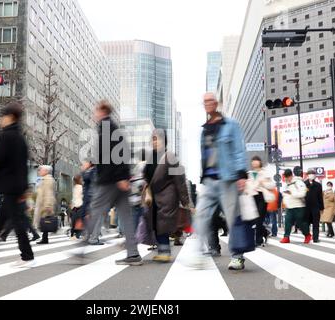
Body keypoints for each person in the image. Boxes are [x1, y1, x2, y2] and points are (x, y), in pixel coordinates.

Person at [191, 93, 249, 271]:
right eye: (205, 101)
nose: (207, 103)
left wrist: (241, 175)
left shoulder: (231, 125)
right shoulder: (204, 129)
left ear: (216, 104)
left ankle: (237, 256)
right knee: (201, 215)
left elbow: (239, 150)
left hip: (227, 179)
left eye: (210, 101)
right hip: (209, 180)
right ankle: (198, 254)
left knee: (232, 218)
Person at [87, 100, 142, 266]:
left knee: (95, 210)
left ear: (102, 111)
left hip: (110, 180)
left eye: (95, 110)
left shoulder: (107, 128)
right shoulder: (111, 128)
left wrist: (120, 177)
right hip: (118, 179)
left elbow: (120, 153)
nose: (93, 114)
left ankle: (80, 248)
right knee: (125, 216)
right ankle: (133, 254)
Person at [0, 102, 35, 268]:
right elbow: (24, 164)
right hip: (17, 185)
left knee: (17, 222)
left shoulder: (7, 136)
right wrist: (25, 187)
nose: (0, 120)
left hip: (10, 186)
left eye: (2, 116)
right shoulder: (20, 137)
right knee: (2, 220)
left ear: (10, 117)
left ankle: (27, 256)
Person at [143, 130, 190, 263]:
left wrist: (185, 200)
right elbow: (146, 177)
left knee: (162, 223)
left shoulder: (170, 157)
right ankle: (163, 250)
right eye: (153, 139)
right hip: (153, 196)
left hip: (167, 195)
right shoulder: (150, 158)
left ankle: (165, 252)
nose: (155, 142)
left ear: (164, 141)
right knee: (155, 223)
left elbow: (180, 179)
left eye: (158, 139)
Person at [246, 156, 275, 247]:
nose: (254, 163)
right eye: (253, 161)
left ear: (260, 162)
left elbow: (272, 185)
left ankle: (258, 240)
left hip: (262, 196)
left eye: (256, 161)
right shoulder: (249, 174)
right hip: (252, 197)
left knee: (259, 219)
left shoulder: (265, 173)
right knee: (253, 219)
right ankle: (265, 232)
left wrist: (264, 183)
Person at [280, 169, 311, 244]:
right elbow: (285, 194)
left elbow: (303, 193)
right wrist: (285, 200)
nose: (286, 179)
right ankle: (286, 237)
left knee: (300, 223)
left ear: (291, 175)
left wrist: (292, 193)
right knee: (287, 222)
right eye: (285, 177)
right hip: (289, 206)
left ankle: (307, 235)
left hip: (299, 206)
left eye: (287, 177)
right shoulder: (286, 184)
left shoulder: (298, 182)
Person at [34, 165, 56, 245]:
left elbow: (48, 193)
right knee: (44, 221)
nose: (40, 171)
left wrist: (48, 205)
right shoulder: (45, 179)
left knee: (45, 221)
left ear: (46, 171)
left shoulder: (48, 180)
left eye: (41, 170)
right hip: (43, 204)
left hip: (45, 204)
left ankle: (44, 238)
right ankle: (44, 238)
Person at [304, 170, 324, 243]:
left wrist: (321, 208)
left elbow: (320, 197)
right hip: (306, 207)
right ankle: (307, 237)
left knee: (316, 223)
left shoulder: (318, 185)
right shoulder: (304, 184)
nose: (311, 175)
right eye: (310, 174)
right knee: (306, 223)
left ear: (315, 175)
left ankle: (316, 238)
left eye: (313, 174)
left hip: (315, 207)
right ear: (307, 175)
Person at [70, 175, 83, 239]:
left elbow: (74, 198)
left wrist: (72, 205)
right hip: (80, 206)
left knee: (74, 221)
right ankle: (77, 234)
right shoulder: (81, 187)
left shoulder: (75, 187)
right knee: (79, 221)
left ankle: (73, 234)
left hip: (75, 206)